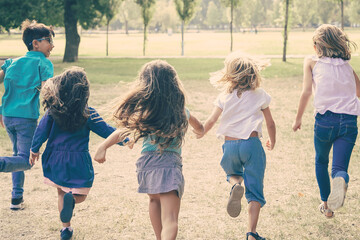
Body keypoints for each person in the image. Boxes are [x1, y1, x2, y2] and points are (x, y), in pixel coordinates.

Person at [94, 60, 204, 240]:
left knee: (154, 200)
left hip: (146, 164)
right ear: (174, 85)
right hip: (169, 164)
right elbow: (199, 127)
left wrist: (103, 146)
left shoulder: (146, 111)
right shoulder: (181, 111)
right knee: (170, 220)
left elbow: (122, 131)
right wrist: (200, 131)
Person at [29, 67, 129, 240]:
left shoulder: (52, 111)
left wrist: (34, 149)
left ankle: (65, 229)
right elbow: (105, 130)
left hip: (55, 157)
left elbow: (41, 131)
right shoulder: (88, 112)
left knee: (61, 191)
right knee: (79, 194)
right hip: (78, 159)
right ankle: (73, 200)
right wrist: (125, 139)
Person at [196, 52, 276, 240]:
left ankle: (235, 185)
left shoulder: (225, 96)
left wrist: (202, 131)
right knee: (255, 191)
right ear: (253, 74)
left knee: (232, 174)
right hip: (252, 144)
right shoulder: (260, 95)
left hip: (230, 145)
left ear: (230, 75)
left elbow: (212, 120)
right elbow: (270, 123)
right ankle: (251, 233)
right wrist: (273, 140)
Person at [293, 24, 360, 218]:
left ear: (317, 46)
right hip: (349, 122)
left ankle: (327, 206)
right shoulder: (347, 67)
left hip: (325, 121)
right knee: (339, 168)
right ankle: (340, 179)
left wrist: (298, 119)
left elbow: (306, 92)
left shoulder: (312, 62)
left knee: (321, 161)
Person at [0, 19, 55, 210]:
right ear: (36, 43)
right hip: (26, 119)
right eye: (49, 40)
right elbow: (50, 92)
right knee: (25, 160)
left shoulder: (11, 63)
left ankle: (16, 199)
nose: (52, 45)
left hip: (7, 117)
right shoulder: (44, 63)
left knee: (17, 156)